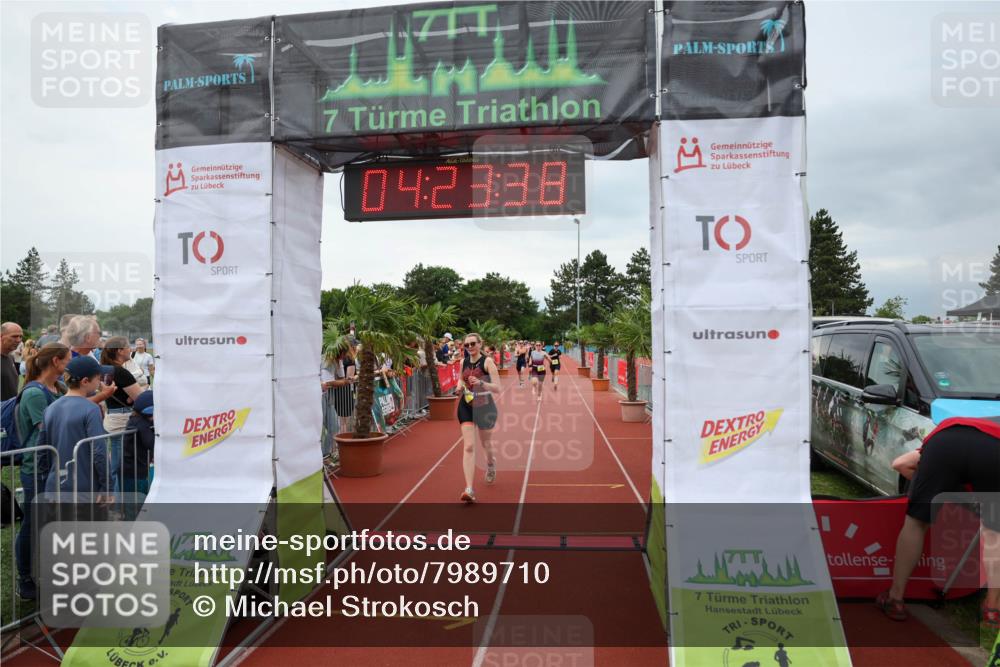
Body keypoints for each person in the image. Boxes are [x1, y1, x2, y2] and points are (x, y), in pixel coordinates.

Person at [879, 416, 1000, 624]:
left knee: (916, 523)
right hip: (993, 449)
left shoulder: (946, 433)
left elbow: (900, 464)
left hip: (944, 444)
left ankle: (895, 598)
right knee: (994, 533)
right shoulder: (991, 432)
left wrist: (942, 492)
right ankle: (992, 608)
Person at [14, 343, 70, 600]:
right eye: (67, 360)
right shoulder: (35, 393)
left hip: (56, 466)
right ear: (56, 362)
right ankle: (25, 577)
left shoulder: (57, 387)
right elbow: (49, 426)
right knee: (33, 523)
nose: (69, 365)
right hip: (36, 467)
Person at [43, 355, 112, 499]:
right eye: (98, 379)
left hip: (55, 485)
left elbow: (42, 452)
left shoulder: (50, 408)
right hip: (83, 486)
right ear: (85, 381)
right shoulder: (91, 409)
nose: (100, 383)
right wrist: (107, 487)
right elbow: (99, 451)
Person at [457, 333, 500, 504]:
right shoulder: (463, 362)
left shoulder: (487, 362)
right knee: (468, 446)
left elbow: (497, 388)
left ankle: (490, 464)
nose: (469, 347)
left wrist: (481, 382)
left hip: (485, 407)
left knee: (486, 444)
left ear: (480, 344)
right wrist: (458, 387)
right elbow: (461, 379)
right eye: (466, 345)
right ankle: (469, 489)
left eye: (473, 343)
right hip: (466, 405)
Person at [101, 337, 146, 493]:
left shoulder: (104, 368)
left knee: (115, 464)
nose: (131, 349)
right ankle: (118, 504)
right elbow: (141, 399)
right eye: (128, 346)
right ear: (119, 351)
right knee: (120, 467)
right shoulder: (120, 371)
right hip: (122, 419)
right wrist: (137, 393)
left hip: (112, 417)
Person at [122, 391, 154, 502]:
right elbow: (151, 443)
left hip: (137, 469)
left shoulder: (137, 420)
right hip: (133, 472)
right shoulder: (140, 423)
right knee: (134, 505)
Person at [1, 322, 24, 400]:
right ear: (1, 336)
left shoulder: (11, 357)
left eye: (21, 336)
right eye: (14, 336)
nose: (19, 340)